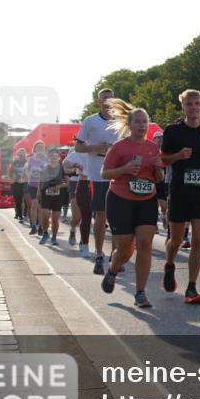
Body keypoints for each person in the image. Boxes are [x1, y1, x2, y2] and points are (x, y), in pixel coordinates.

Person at [99, 99, 163, 308]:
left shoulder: (153, 148)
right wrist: (125, 169)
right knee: (126, 250)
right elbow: (105, 173)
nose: (142, 125)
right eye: (137, 121)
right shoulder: (119, 147)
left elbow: (159, 178)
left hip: (146, 201)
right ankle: (113, 269)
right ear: (130, 124)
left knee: (145, 245)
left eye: (145, 121)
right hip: (120, 200)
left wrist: (158, 169)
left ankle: (140, 292)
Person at [161, 89, 200, 305]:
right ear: (183, 106)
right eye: (189, 104)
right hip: (180, 190)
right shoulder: (173, 131)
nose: (194, 107)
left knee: (197, 240)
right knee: (175, 240)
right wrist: (178, 156)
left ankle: (192, 287)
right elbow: (163, 160)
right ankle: (169, 264)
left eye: (197, 103)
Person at [75, 89, 119, 276]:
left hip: (118, 175)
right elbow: (78, 146)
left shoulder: (122, 120)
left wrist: (115, 150)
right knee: (100, 216)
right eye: (104, 98)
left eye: (110, 97)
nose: (107, 101)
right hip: (97, 175)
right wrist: (96, 147)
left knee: (117, 217)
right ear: (98, 101)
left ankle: (115, 255)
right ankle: (99, 254)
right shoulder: (90, 121)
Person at [37, 148, 66, 245]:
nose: (53, 157)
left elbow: (67, 183)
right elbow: (40, 181)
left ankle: (54, 237)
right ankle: (45, 233)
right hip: (45, 193)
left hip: (58, 195)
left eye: (55, 156)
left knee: (55, 218)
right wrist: (38, 192)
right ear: (48, 157)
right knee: (45, 216)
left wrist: (59, 186)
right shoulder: (44, 167)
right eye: (51, 156)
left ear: (58, 158)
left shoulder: (62, 168)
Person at [25, 142, 48, 235]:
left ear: (44, 149)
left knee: (41, 207)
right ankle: (34, 226)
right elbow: (27, 172)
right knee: (34, 204)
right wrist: (32, 174)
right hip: (33, 184)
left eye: (42, 147)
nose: (40, 149)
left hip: (43, 185)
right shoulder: (31, 159)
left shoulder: (47, 159)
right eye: (38, 147)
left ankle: (40, 227)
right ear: (34, 149)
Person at [153, 131, 168, 234]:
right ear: (154, 139)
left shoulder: (166, 150)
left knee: (164, 205)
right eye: (158, 138)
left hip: (164, 179)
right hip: (153, 179)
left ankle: (164, 216)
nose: (160, 140)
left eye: (162, 138)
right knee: (154, 204)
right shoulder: (150, 150)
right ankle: (154, 226)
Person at [8, 148, 28, 222]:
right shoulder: (14, 162)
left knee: (26, 200)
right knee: (17, 200)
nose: (21, 155)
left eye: (23, 154)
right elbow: (10, 172)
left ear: (25, 154)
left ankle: (25, 214)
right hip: (16, 183)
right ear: (18, 154)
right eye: (20, 154)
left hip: (25, 182)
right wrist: (11, 178)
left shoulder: (28, 161)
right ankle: (19, 215)